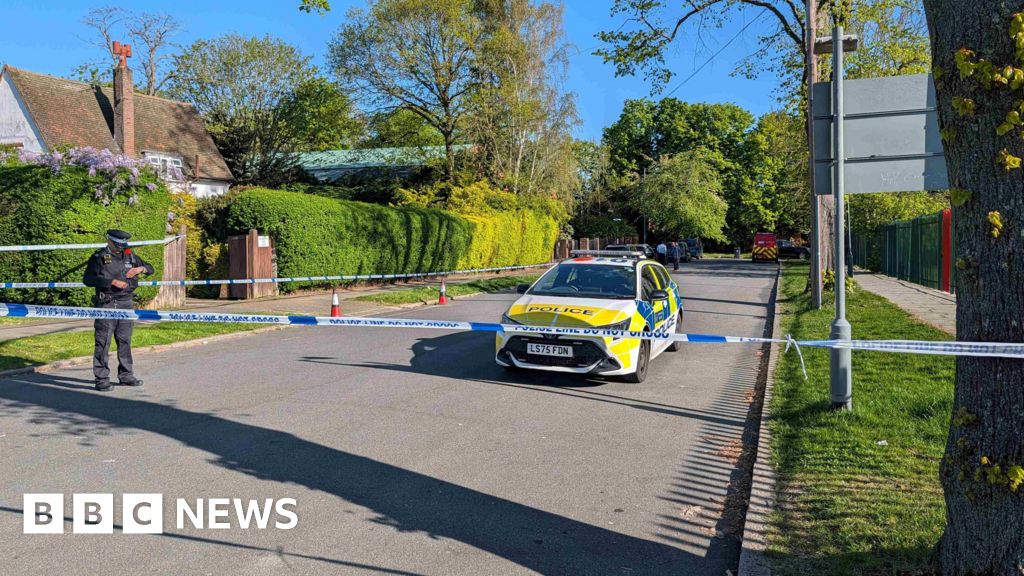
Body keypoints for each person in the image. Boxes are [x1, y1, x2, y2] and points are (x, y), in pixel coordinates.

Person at [82, 229, 154, 391]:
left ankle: (126, 375)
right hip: (107, 303)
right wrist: (111, 282)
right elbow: (88, 279)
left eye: (123, 245)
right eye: (118, 245)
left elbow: (150, 268)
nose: (121, 248)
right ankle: (101, 379)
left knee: (125, 340)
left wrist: (140, 269)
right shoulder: (98, 257)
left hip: (126, 303)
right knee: (103, 342)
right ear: (109, 241)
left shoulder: (129, 255)